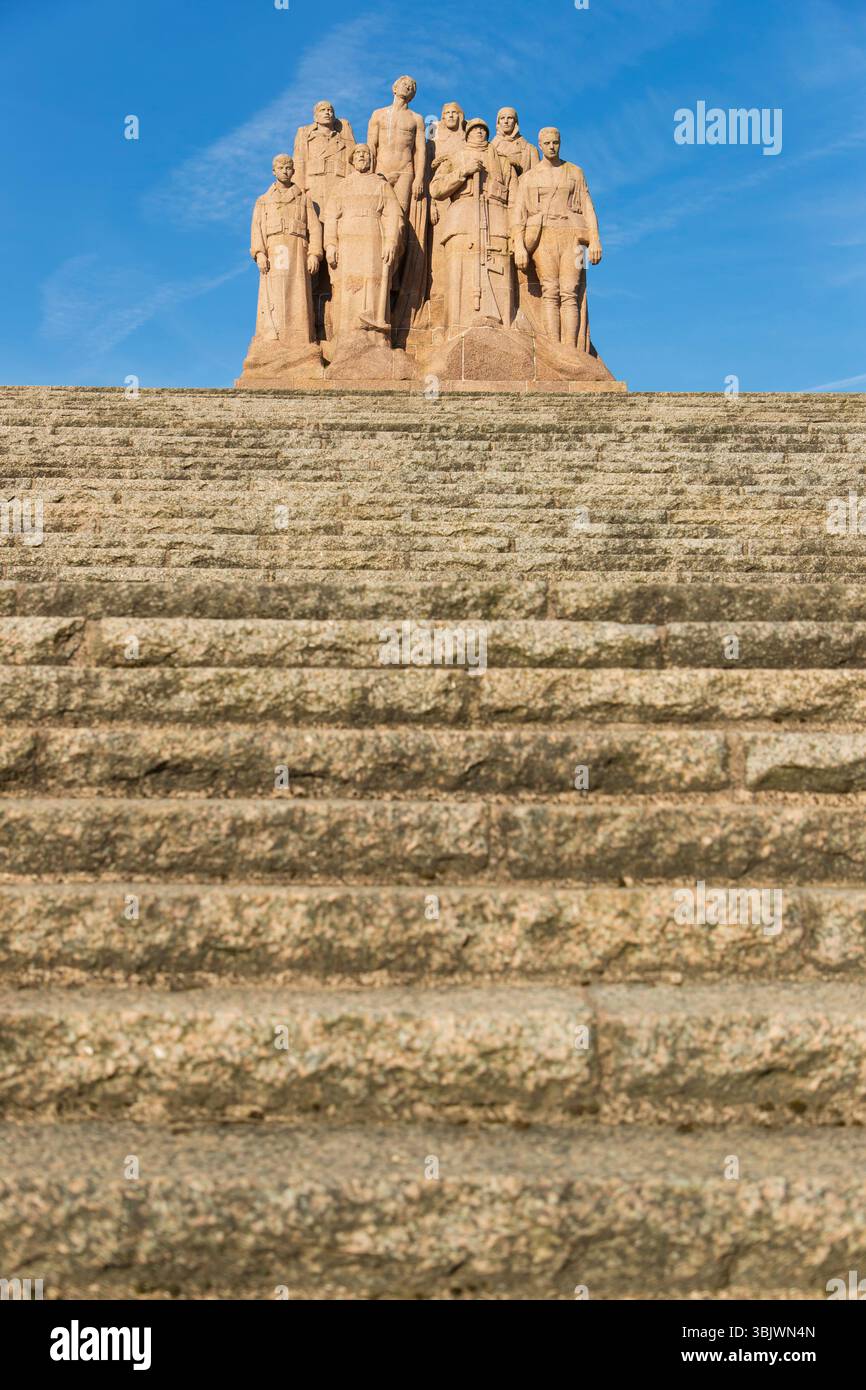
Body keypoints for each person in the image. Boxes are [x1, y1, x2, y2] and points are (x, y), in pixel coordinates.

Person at [511, 126, 602, 349]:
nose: (552, 146)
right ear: (540, 145)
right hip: (544, 235)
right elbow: (518, 214)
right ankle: (555, 348)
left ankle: (572, 350)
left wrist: (596, 239)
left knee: (571, 292)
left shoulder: (575, 172)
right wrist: (519, 246)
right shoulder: (529, 177)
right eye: (547, 143)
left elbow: (588, 207)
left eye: (556, 142)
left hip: (574, 236)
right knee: (550, 291)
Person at [429, 117, 518, 336]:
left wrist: (516, 231)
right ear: (467, 133)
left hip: (497, 220)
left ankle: (503, 328)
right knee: (459, 276)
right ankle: (455, 333)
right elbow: (436, 189)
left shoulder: (503, 161)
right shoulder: (455, 157)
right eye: (475, 130)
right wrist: (462, 173)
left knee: (500, 275)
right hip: (463, 220)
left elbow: (516, 198)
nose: (479, 133)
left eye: (483, 130)